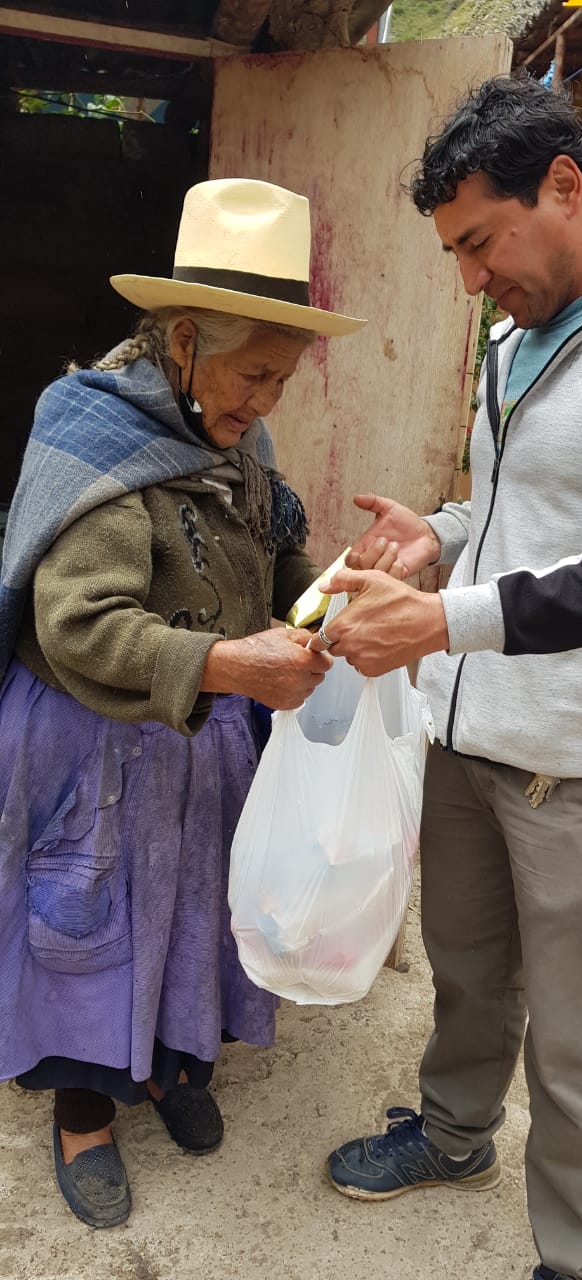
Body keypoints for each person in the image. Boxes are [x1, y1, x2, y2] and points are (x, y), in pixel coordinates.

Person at [0, 177, 402, 1229]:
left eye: (281, 379)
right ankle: (85, 1108)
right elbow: (75, 623)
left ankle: (178, 1064)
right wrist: (228, 665)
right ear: (185, 341)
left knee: (197, 906)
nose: (264, 403)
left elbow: (269, 561)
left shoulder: (236, 436)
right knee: (85, 915)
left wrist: (336, 583)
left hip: (206, 736)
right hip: (97, 739)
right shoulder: (91, 429)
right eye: (253, 374)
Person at [315, 78, 582, 1280]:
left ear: (561, 186)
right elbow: (523, 511)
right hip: (470, 728)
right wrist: (442, 528)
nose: (466, 276)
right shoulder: (512, 336)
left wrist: (443, 618)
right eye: (451, 251)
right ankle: (452, 1136)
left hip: (579, 758)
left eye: (477, 242)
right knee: (467, 968)